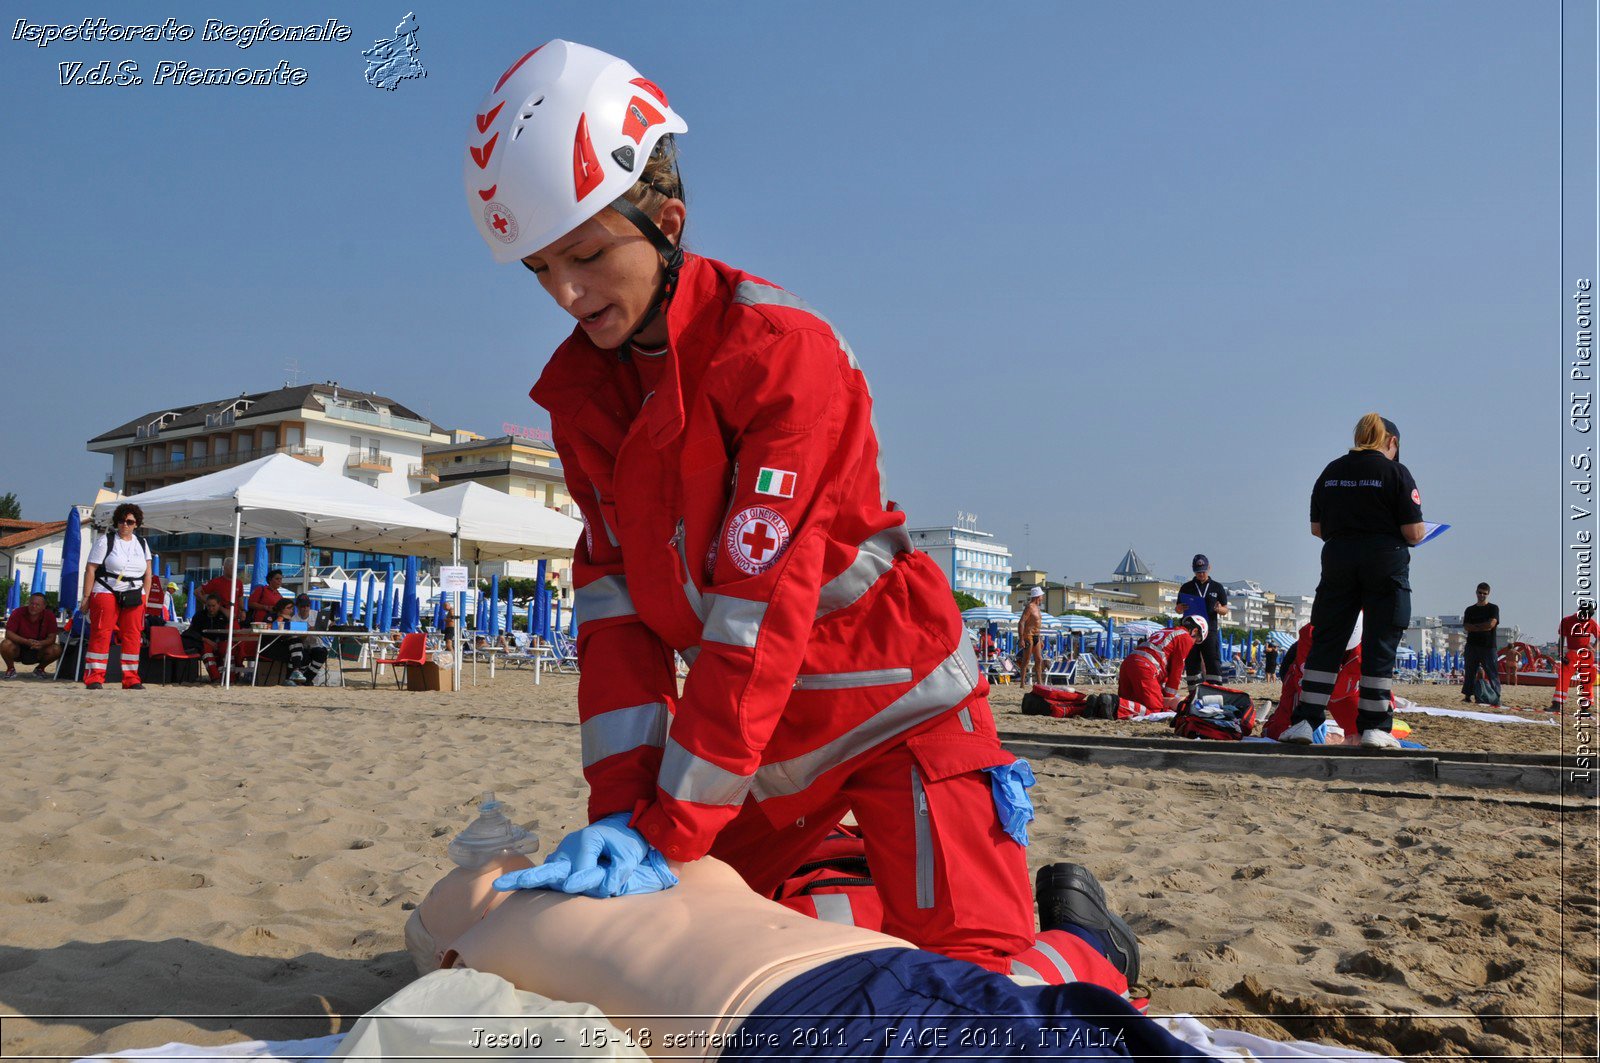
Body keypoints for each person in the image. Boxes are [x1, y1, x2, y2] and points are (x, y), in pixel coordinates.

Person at [464, 40, 1057, 975]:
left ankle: (1083, 933)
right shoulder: (585, 397)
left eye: (585, 254)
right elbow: (616, 617)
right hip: (759, 747)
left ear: (667, 220)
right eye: (540, 268)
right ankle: (856, 878)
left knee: (983, 979)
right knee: (696, 951)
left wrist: (671, 824)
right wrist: (622, 810)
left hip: (899, 712)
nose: (567, 294)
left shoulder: (781, 357)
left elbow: (756, 608)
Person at [406, 854, 1208, 1062]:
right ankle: (1090, 947)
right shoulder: (662, 859)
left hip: (814, 1014)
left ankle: (1090, 948)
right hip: (860, 987)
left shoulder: (477, 961)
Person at [1282, 414, 1425, 749]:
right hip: (1384, 559)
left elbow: (1317, 528)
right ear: (1391, 442)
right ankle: (1374, 727)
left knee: (1327, 640)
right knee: (1380, 643)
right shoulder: (1396, 473)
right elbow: (1414, 533)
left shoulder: (1332, 471)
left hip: (1338, 558)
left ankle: (1305, 721)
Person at [81, 503, 154, 690]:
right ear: (116, 522)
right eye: (121, 521)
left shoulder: (142, 544)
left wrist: (145, 596)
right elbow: (90, 569)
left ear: (136, 524)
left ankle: (131, 678)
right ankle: (94, 677)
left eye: (129, 521)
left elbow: (148, 573)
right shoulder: (105, 541)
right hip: (106, 589)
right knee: (101, 633)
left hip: (135, 592)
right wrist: (86, 597)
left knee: (133, 635)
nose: (125, 525)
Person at [1115, 615, 1204, 717]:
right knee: (1155, 710)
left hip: (1128, 663)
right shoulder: (1185, 638)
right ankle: (1113, 704)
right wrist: (1169, 699)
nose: (1194, 644)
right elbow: (1176, 671)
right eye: (1197, 640)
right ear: (1195, 631)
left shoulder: (1166, 631)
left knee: (1131, 701)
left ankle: (1101, 703)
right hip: (1145, 667)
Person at [1174, 555, 1228, 692]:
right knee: (1192, 661)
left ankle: (1215, 690)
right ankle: (1194, 691)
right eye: (1198, 572)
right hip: (1190, 631)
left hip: (1210, 630)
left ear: (1209, 568)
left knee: (1212, 660)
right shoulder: (1186, 587)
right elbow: (1178, 609)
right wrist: (1180, 608)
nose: (1201, 574)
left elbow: (1225, 609)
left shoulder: (1217, 587)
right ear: (1193, 570)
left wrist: (1219, 609)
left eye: (1203, 571)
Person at [2, 592, 62, 679]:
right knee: (5, 644)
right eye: (32, 603)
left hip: (39, 648)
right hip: (18, 647)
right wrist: (26, 641)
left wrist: (41, 643)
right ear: (28, 603)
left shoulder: (49, 616)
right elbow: (9, 634)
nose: (33, 607)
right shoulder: (18, 612)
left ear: (44, 606)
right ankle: (10, 669)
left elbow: (52, 638)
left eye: (37, 605)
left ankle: (40, 669)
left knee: (56, 649)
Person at [1553, 604, 1599, 713]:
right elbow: (1561, 638)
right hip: (1572, 653)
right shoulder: (1567, 621)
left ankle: (1585, 707)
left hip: (1586, 655)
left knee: (1587, 680)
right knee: (1563, 676)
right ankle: (1557, 704)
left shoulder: (1591, 622)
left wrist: (1594, 648)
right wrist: (1560, 655)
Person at [1459, 582, 1500, 705]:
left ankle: (1496, 696)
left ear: (1488, 594)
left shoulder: (1493, 608)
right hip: (1472, 645)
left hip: (1488, 646)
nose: (1481, 595)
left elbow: (1491, 624)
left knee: (1492, 672)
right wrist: (1482, 627)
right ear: (1476, 592)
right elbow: (1466, 626)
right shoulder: (1470, 610)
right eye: (1480, 593)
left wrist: (1475, 627)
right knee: (1470, 671)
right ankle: (1467, 695)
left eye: (1484, 593)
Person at [182, 593, 230, 682]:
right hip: (203, 642)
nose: (211, 609)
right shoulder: (199, 616)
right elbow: (192, 631)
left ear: (219, 605)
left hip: (220, 641)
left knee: (226, 649)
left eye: (213, 606)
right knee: (206, 649)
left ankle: (228, 677)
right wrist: (205, 640)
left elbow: (232, 616)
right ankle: (215, 677)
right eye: (208, 606)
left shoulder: (223, 616)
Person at [288, 593, 330, 684]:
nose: (305, 608)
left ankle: (307, 679)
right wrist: (307, 632)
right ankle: (304, 678)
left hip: (316, 644)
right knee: (302, 656)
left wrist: (328, 626)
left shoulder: (316, 614)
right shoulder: (294, 619)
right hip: (303, 646)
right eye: (303, 606)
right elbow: (296, 640)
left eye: (307, 605)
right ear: (298, 606)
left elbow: (330, 624)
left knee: (322, 652)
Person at [1017, 587, 1045, 685]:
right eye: (1041, 596)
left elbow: (1037, 624)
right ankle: (1022, 683)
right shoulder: (1029, 607)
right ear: (1038, 596)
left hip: (1036, 636)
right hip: (1028, 636)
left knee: (1039, 659)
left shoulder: (1037, 608)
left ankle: (1039, 682)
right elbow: (1021, 622)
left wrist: (1040, 638)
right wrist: (1021, 638)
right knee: (1026, 660)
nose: (1042, 597)